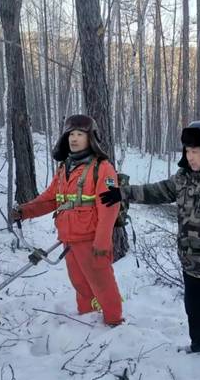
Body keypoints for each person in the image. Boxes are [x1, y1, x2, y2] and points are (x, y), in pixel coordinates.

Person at [100, 120, 200, 380]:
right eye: (187, 150)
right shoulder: (183, 178)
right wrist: (123, 193)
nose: (190, 156)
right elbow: (156, 191)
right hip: (190, 259)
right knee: (193, 307)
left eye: (195, 151)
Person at [10, 114, 123, 326]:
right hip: (69, 240)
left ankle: (114, 322)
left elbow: (110, 207)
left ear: (91, 138)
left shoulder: (102, 168)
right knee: (80, 283)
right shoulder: (65, 168)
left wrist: (102, 242)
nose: (74, 138)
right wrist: (24, 211)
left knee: (102, 284)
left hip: (92, 241)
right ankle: (88, 318)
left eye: (80, 134)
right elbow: (50, 199)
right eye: (71, 134)